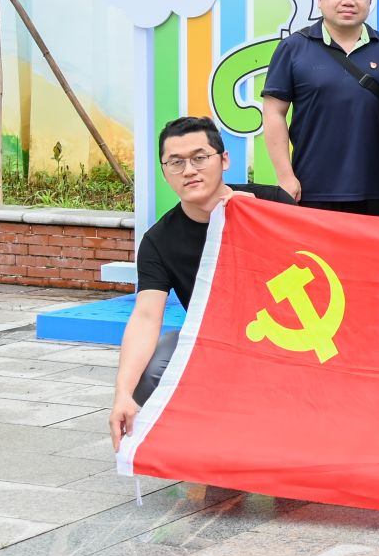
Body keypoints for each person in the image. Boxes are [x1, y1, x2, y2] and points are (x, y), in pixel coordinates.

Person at [109, 117, 293, 449]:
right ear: (164, 172)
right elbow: (146, 317)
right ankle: (205, 450)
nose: (189, 171)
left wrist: (262, 223)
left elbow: (322, 265)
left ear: (224, 160)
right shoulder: (159, 241)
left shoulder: (272, 203)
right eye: (176, 163)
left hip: (288, 337)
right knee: (157, 361)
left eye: (199, 158)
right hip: (218, 342)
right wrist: (123, 393)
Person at [259, 0, 379, 216]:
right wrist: (285, 176)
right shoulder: (293, 47)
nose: (348, 0)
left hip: (375, 189)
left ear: (370, 0)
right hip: (311, 189)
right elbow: (274, 113)